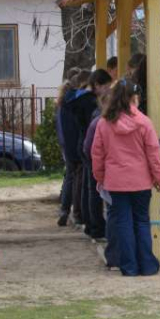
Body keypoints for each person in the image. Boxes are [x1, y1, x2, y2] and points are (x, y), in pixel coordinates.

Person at [92, 82, 160, 277]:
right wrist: (158, 177)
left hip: (116, 182)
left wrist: (100, 177)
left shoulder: (103, 123)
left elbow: (97, 154)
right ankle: (147, 265)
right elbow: (153, 153)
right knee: (142, 221)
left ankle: (129, 266)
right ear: (134, 98)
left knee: (123, 223)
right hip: (141, 181)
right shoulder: (144, 122)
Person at [81, 69, 113, 240]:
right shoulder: (94, 110)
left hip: (89, 152)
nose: (109, 89)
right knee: (94, 191)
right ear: (98, 85)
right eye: (107, 86)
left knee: (91, 190)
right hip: (93, 154)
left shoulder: (84, 102)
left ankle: (92, 225)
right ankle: (96, 227)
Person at [57, 69, 91, 226]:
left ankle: (65, 209)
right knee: (78, 179)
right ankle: (77, 212)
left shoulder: (64, 100)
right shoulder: (77, 101)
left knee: (70, 177)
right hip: (76, 144)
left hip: (68, 144)